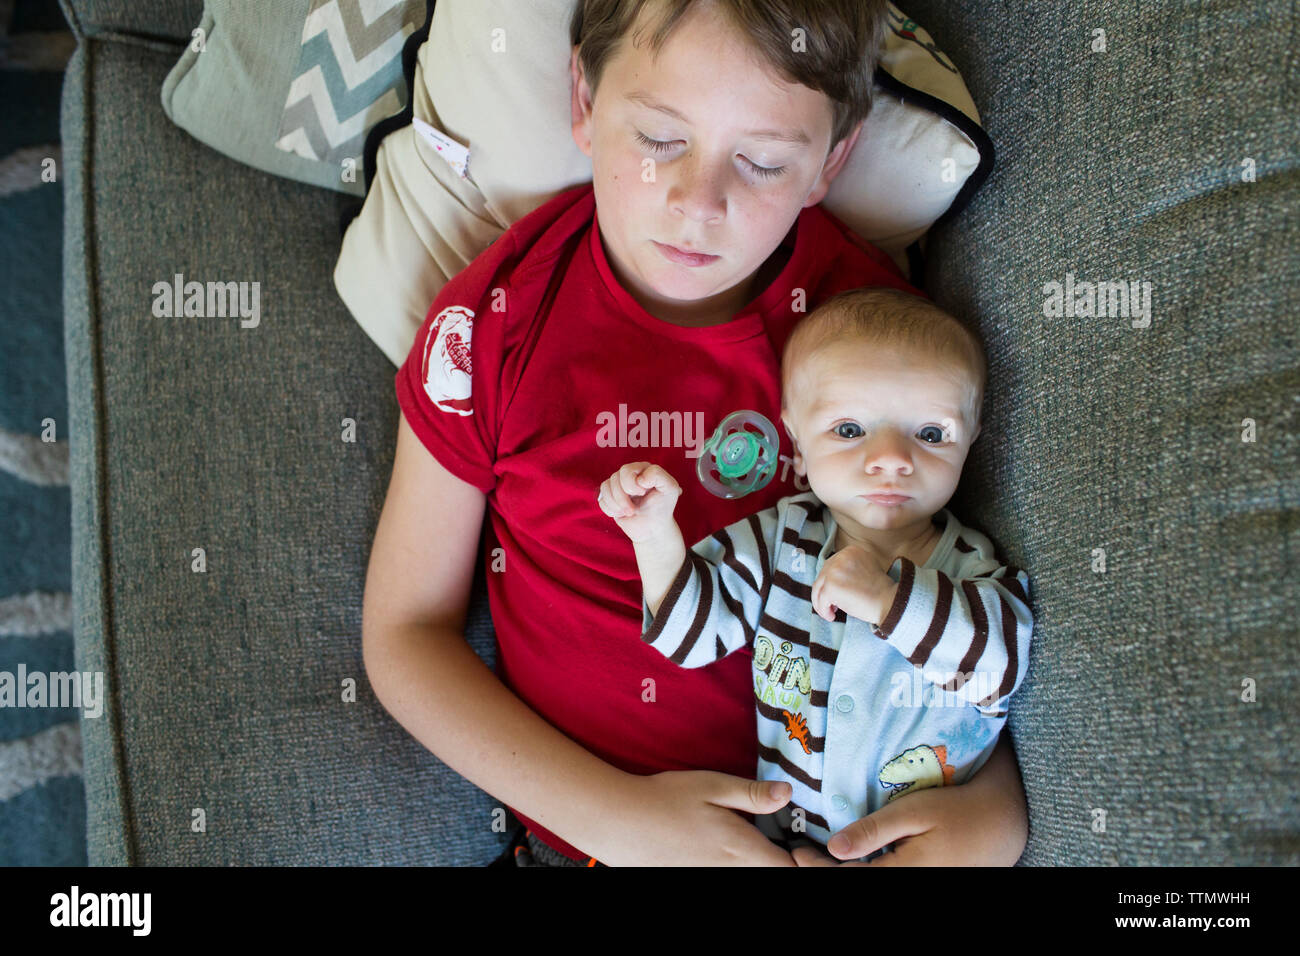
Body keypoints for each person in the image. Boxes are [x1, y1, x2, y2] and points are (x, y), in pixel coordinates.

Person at [363, 0, 1030, 866]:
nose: (698, 203)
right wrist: (622, 823)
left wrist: (991, 810)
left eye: (759, 160)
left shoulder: (879, 349)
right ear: (585, 99)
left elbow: (950, 601)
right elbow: (403, 634)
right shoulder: (495, 323)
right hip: (592, 845)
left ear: (830, 161)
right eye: (659, 139)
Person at [598, 287, 1033, 861]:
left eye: (930, 434)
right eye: (849, 430)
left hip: (918, 846)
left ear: (969, 442)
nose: (892, 458)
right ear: (797, 446)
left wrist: (887, 599)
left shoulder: (969, 568)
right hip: (787, 838)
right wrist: (653, 535)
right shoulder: (781, 541)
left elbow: (1000, 669)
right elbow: (691, 635)